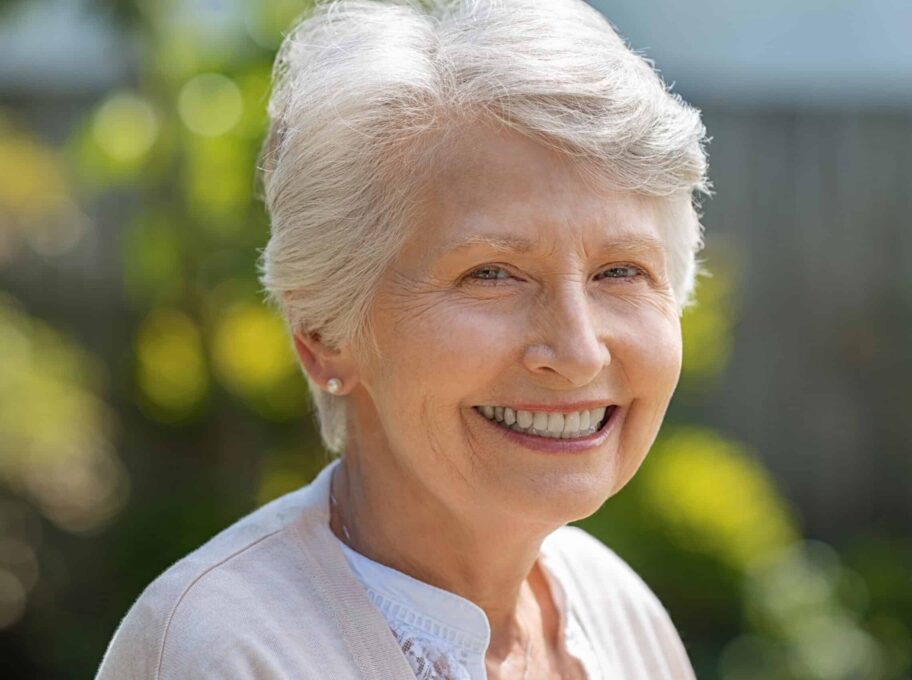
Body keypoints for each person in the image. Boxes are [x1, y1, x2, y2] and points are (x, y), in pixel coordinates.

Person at [96, 0, 710, 678]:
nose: (578, 351)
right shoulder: (225, 651)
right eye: (492, 274)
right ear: (324, 331)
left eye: (621, 271)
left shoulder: (620, 616)